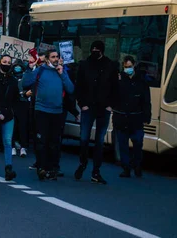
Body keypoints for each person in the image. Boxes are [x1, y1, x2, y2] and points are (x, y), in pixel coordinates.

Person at [23, 49, 74, 181]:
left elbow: (70, 89)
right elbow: (26, 83)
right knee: (41, 141)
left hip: (57, 112)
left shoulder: (61, 71)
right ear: (47, 59)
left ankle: (53, 168)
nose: (56, 59)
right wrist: (29, 69)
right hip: (42, 111)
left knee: (54, 142)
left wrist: (63, 74)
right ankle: (41, 167)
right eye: (53, 57)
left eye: (57, 56)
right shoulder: (41, 70)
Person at [74, 41, 119, 185]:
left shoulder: (110, 65)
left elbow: (115, 87)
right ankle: (83, 163)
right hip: (88, 107)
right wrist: (82, 104)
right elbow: (79, 86)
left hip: (103, 108)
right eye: (92, 49)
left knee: (99, 141)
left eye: (97, 50)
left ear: (102, 51)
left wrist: (110, 105)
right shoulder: (84, 65)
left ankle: (96, 171)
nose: (94, 51)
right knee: (84, 139)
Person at [114, 56, 151, 178]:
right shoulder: (119, 80)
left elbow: (146, 101)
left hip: (136, 118)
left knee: (138, 144)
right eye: (125, 67)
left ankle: (137, 165)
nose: (127, 69)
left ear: (134, 65)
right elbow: (114, 97)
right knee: (123, 145)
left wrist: (147, 117)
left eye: (129, 67)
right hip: (122, 118)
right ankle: (126, 168)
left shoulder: (141, 81)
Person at [12, 61, 30, 157]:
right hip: (13, 104)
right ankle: (13, 147)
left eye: (19, 67)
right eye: (16, 67)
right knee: (13, 126)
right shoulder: (11, 78)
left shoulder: (25, 78)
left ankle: (23, 147)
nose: (17, 69)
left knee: (23, 126)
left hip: (23, 104)